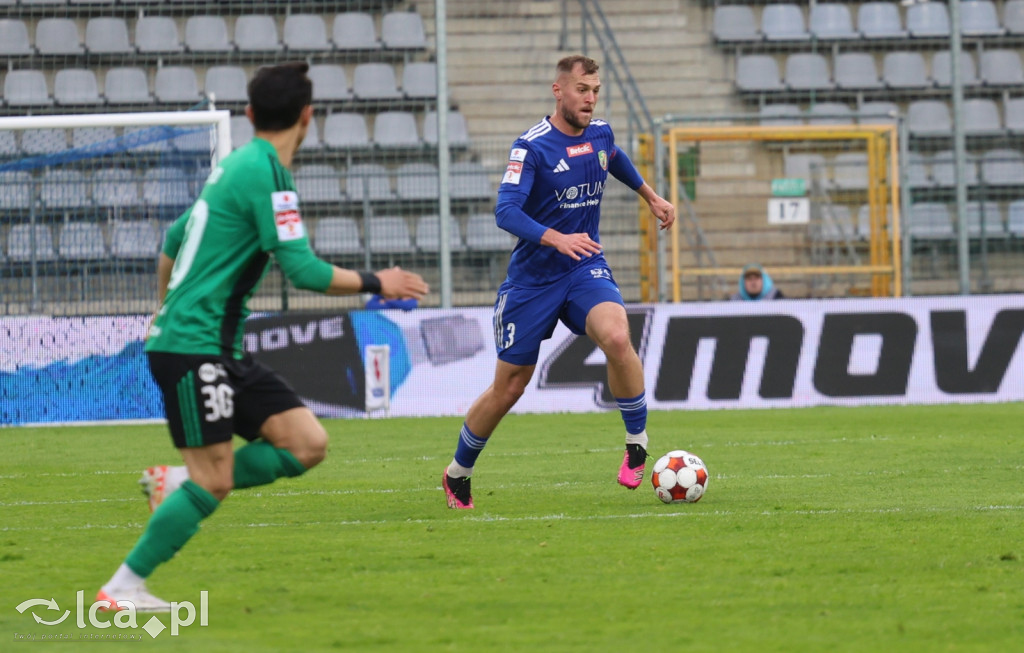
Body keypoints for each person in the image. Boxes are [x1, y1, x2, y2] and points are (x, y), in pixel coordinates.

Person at [96, 62, 428, 611]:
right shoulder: (269, 174)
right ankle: (123, 586)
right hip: (193, 348)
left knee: (306, 445)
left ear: (249, 115)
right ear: (308, 116)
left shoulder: (234, 166)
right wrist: (378, 281)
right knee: (216, 480)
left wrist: (165, 308)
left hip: (213, 347)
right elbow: (302, 271)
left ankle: (177, 481)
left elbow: (173, 240)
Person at [441, 55, 676, 510]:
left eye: (595, 91)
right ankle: (458, 473)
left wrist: (650, 195)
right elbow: (505, 212)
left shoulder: (601, 133)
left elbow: (613, 158)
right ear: (558, 90)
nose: (590, 99)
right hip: (532, 282)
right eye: (582, 90)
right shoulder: (530, 147)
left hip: (583, 267)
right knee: (509, 387)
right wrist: (555, 238)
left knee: (616, 334)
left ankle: (636, 442)